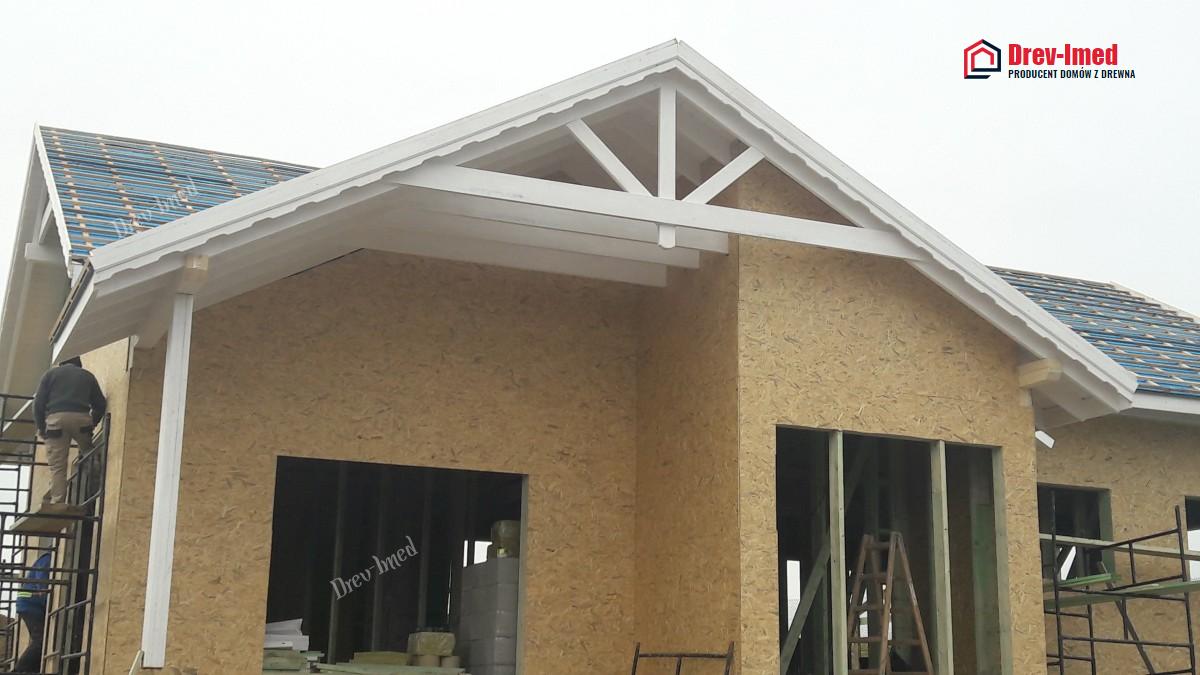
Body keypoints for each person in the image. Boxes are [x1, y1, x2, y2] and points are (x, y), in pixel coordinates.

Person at [32, 357, 106, 507]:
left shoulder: (50, 375)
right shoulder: (87, 376)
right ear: (79, 365)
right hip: (82, 420)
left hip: (56, 422)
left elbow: (38, 404)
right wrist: (93, 422)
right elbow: (100, 403)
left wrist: (41, 427)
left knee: (58, 466)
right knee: (88, 451)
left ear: (61, 363)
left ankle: (58, 502)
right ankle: (96, 477)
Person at [14, 552, 50, 673]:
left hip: (30, 604)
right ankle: (18, 671)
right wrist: (47, 597)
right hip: (30, 604)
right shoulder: (48, 558)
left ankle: (31, 670)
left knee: (40, 642)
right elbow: (42, 583)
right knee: (41, 640)